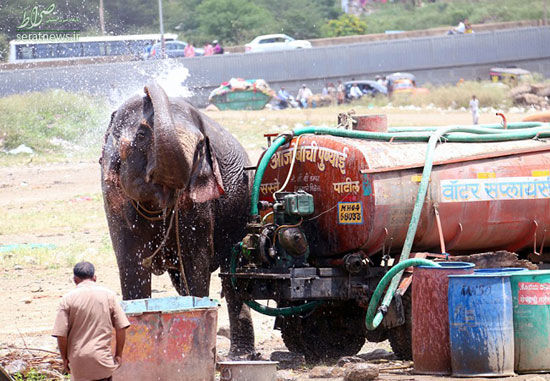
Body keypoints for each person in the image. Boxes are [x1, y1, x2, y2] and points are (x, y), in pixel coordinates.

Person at [53, 262, 130, 381]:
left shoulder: (67, 299)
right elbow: (121, 328)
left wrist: (65, 359)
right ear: (94, 278)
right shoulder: (109, 296)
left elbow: (61, 335)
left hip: (78, 363)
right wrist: (118, 354)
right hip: (102, 361)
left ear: (75, 280)